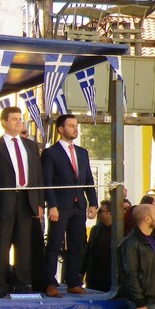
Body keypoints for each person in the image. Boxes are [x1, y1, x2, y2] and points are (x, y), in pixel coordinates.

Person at [0, 106, 44, 298]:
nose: (19, 122)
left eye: (20, 118)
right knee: (1, 245)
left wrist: (39, 203)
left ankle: (22, 284)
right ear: (4, 122)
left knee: (24, 246)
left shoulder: (31, 146)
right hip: (2, 202)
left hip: (26, 200)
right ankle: (0, 285)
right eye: (14, 119)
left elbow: (37, 176)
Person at [40, 114, 98, 297]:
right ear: (60, 129)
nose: (75, 128)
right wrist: (52, 205)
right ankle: (50, 283)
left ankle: (73, 282)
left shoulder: (82, 152)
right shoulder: (50, 153)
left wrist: (93, 202)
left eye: (76, 125)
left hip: (79, 205)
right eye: (71, 125)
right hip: (60, 206)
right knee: (54, 244)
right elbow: (47, 182)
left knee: (77, 245)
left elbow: (88, 179)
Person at [80, 200, 113, 292]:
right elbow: (88, 252)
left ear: (109, 213)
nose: (97, 214)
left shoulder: (119, 231)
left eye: (100, 211)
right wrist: (81, 272)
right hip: (94, 276)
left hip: (110, 276)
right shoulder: (95, 230)